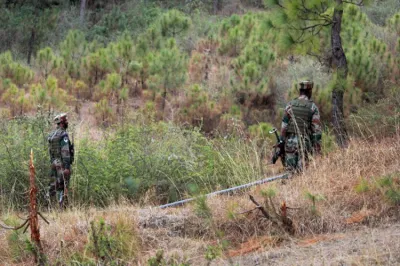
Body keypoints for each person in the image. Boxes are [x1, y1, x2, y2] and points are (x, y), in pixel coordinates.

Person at [280, 80, 322, 172]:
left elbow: (284, 126)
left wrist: (282, 142)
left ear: (300, 91)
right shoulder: (313, 107)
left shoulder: (290, 104)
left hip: (289, 144)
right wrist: (317, 151)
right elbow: (316, 132)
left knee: (289, 172)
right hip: (304, 145)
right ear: (310, 92)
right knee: (301, 174)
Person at [47, 113, 74, 207]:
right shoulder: (63, 135)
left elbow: (50, 152)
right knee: (63, 186)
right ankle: (62, 207)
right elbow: (65, 152)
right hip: (62, 164)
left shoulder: (52, 135)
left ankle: (49, 206)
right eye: (65, 120)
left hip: (54, 163)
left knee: (52, 186)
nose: (67, 122)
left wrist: (53, 162)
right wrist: (66, 167)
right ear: (62, 123)